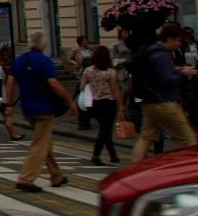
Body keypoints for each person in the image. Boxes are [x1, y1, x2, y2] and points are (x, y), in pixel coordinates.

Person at [5, 31, 77, 192]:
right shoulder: (44, 60)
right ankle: (25, 178)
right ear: (43, 44)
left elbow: (10, 82)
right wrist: (69, 100)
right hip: (44, 107)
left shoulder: (20, 60)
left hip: (28, 108)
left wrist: (9, 104)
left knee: (44, 141)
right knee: (39, 144)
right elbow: (53, 83)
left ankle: (56, 175)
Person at [130, 23, 198, 163]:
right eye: (178, 40)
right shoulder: (161, 55)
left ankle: (134, 167)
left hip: (149, 103)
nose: (179, 44)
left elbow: (160, 74)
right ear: (169, 39)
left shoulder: (152, 52)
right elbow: (167, 79)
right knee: (190, 139)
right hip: (164, 103)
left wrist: (177, 70)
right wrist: (184, 73)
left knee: (146, 137)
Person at [80, 46, 123, 165]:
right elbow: (115, 90)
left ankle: (113, 155)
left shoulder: (87, 71)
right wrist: (121, 106)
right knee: (105, 129)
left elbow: (82, 87)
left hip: (93, 103)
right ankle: (96, 154)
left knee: (105, 129)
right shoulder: (110, 72)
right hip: (108, 103)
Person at [69, 36, 94, 131]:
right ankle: (82, 108)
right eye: (84, 41)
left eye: (86, 40)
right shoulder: (76, 50)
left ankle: (88, 111)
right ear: (80, 42)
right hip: (81, 71)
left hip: (91, 72)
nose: (86, 42)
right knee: (82, 90)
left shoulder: (90, 49)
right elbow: (69, 59)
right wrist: (75, 63)